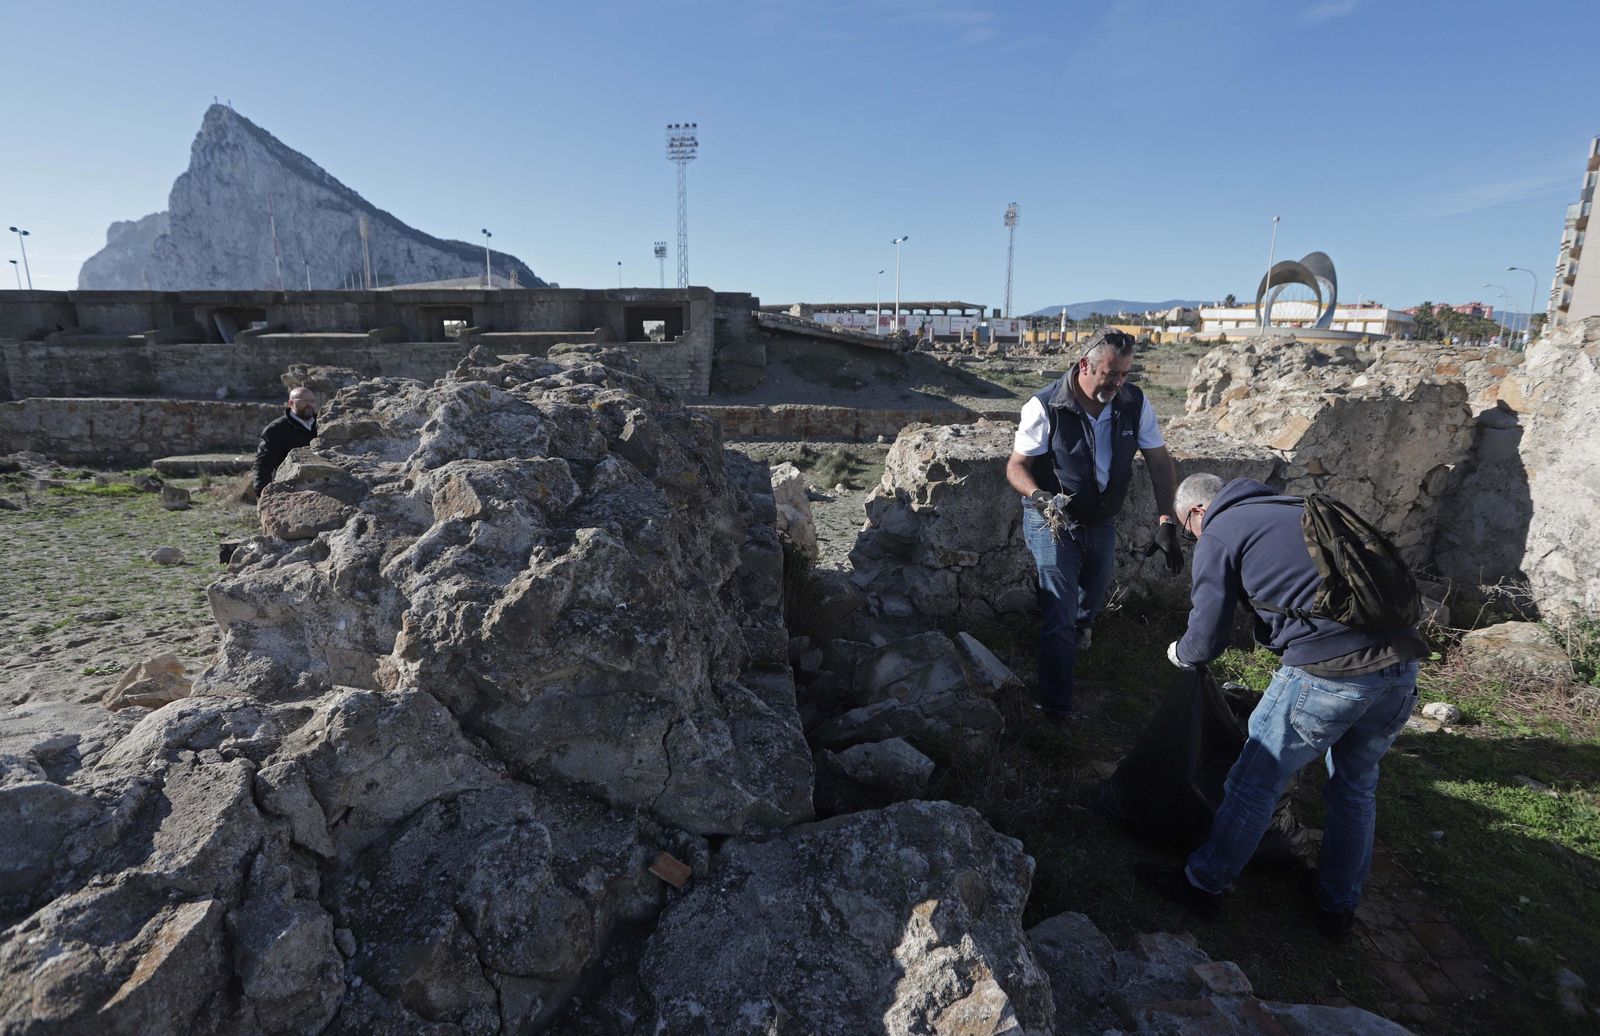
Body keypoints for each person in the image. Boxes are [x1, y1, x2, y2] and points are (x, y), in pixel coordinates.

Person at [1142, 473, 1427, 940]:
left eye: (1188, 530)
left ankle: (1202, 886)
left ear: (1196, 511)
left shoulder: (1220, 529)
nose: (1193, 539)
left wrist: (1181, 654)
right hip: (1400, 666)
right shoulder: (1294, 507)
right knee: (1354, 788)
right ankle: (1336, 906)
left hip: (1329, 670)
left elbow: (1207, 634)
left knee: (1253, 782)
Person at [1004, 328, 1181, 722]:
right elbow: (1016, 466)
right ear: (1085, 364)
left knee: (1092, 598)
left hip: (1101, 520)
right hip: (1053, 521)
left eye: (1125, 375)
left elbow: (1158, 459)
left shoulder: (1133, 403)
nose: (1118, 383)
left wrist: (1167, 519)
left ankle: (1079, 632)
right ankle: (1055, 707)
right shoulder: (1046, 406)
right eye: (1110, 374)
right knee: (1059, 612)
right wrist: (1040, 497)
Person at [253, 386, 318, 497]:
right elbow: (264, 464)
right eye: (304, 401)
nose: (309, 404)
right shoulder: (276, 429)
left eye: (311, 401)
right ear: (291, 403)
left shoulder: (322, 424)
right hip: (292, 490)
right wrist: (262, 494)